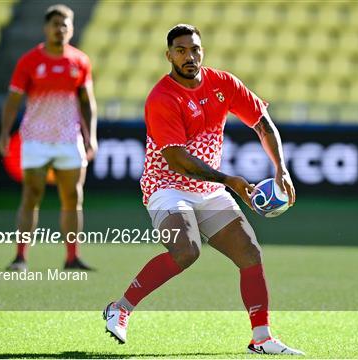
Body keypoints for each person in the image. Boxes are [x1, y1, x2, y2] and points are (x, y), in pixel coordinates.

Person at [102, 24, 303, 355]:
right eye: (180, 51)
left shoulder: (223, 83)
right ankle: (120, 308)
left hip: (207, 188)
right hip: (166, 186)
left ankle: (262, 338)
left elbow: (263, 122)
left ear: (202, 51)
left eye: (194, 49)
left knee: (250, 253)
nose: (189, 56)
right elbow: (177, 159)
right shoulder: (162, 98)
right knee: (186, 250)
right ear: (169, 56)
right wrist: (231, 182)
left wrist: (281, 168)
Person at [0, 4, 97, 271]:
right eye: (55, 24)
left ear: (71, 29)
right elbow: (13, 100)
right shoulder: (29, 61)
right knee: (31, 195)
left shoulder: (80, 61)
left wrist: (91, 136)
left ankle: (72, 257)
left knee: (73, 198)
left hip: (69, 139)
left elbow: (87, 103)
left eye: (65, 25)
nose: (60, 29)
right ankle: (20, 257)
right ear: (46, 28)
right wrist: (5, 132)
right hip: (36, 139)